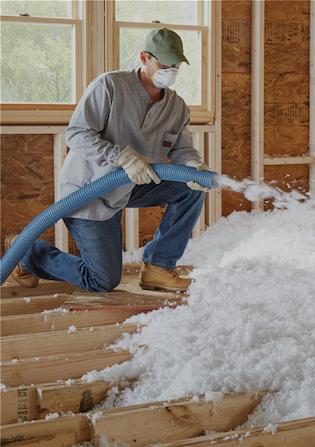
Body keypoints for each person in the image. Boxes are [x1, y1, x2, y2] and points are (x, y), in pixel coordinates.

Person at [4, 28, 210, 293]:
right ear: (144, 57)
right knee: (102, 280)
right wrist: (120, 157)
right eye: (164, 62)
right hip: (89, 191)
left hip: (132, 184)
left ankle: (159, 268)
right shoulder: (109, 86)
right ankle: (28, 252)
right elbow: (77, 134)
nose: (170, 69)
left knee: (189, 188)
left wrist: (193, 166)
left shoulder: (176, 106)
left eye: (176, 64)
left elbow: (182, 150)